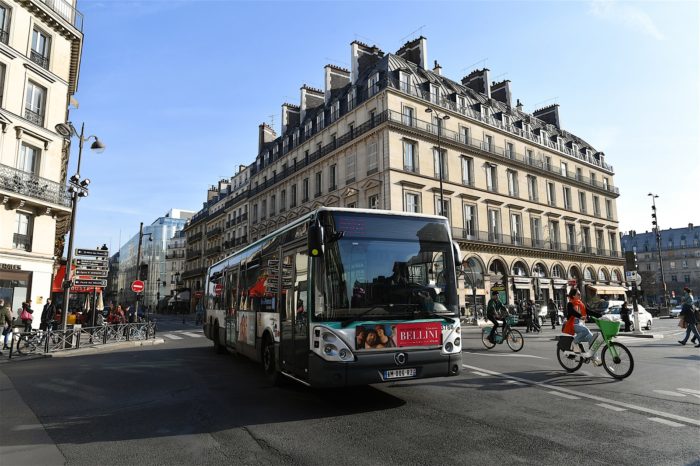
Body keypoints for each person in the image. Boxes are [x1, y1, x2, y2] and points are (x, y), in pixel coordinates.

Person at [562, 287, 601, 363]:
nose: (580, 296)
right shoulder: (570, 304)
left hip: (580, 324)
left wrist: (600, 315)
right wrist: (580, 316)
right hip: (572, 325)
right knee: (585, 330)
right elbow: (572, 312)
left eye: (580, 294)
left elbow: (588, 311)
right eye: (578, 294)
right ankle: (574, 342)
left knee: (591, 338)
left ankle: (594, 357)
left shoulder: (580, 304)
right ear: (573, 296)